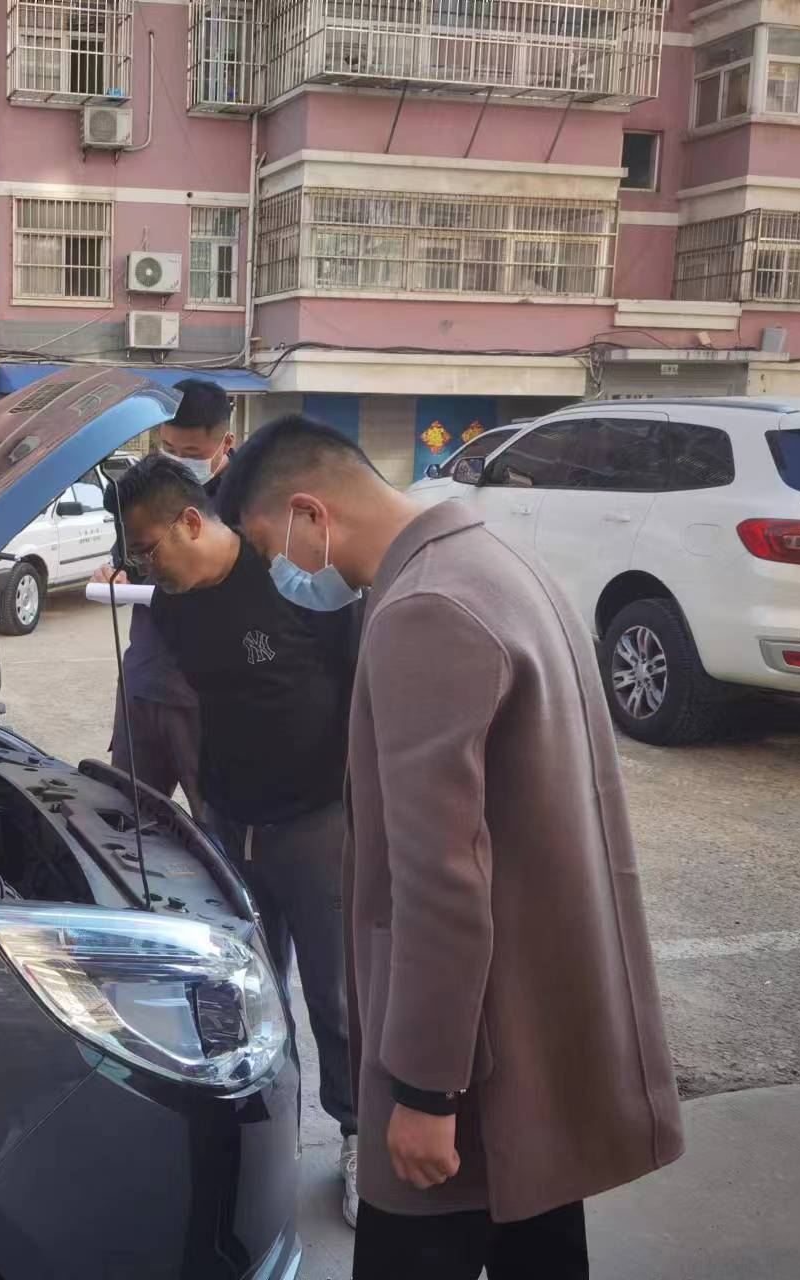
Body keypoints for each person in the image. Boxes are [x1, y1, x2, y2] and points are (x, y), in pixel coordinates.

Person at [216, 415, 684, 1278]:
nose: (279, 571)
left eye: (268, 545)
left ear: (311, 515)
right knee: (539, 1248)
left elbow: (439, 877)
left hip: (470, 1063)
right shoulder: (496, 560)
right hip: (527, 1034)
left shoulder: (423, 609)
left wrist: (425, 1090)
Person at [112, 452, 363, 1225]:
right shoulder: (175, 607)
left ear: (191, 521)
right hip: (230, 821)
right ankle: (264, 1137)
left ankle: (358, 1135)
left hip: (316, 823)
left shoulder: (290, 578)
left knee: (337, 996)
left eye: (147, 550)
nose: (143, 570)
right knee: (243, 994)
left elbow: (358, 680)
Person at [93, 378, 237, 820]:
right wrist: (115, 574)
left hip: (205, 697)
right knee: (127, 816)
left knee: (215, 822)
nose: (178, 460)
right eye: (169, 447)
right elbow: (126, 560)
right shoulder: (146, 490)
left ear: (225, 443)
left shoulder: (244, 501)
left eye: (191, 452)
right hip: (143, 681)